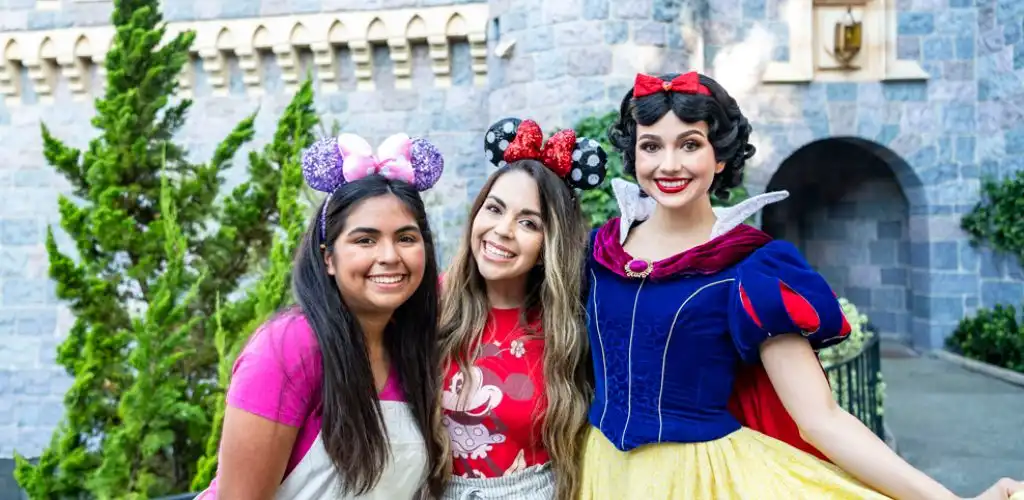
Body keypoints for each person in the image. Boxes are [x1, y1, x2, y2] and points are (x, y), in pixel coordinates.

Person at [577, 72, 1024, 500]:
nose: (668, 164)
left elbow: (820, 418)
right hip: (599, 470)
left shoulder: (750, 269)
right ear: (633, 155)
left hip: (701, 480)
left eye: (690, 144)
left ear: (720, 157)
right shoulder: (598, 251)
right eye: (651, 146)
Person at [197, 132, 450, 499]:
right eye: (365, 240)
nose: (390, 256)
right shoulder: (289, 347)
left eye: (406, 238)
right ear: (328, 257)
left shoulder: (415, 347)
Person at [437, 118, 608, 500]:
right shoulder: (429, 306)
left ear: (549, 245)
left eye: (528, 222)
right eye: (494, 209)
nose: (502, 230)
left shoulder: (573, 327)